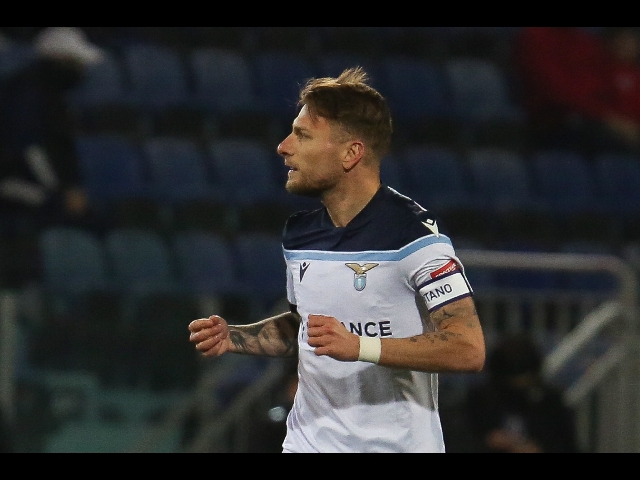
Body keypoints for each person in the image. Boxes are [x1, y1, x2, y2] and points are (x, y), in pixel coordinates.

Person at [188, 67, 486, 453]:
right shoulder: (299, 234)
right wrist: (235, 336)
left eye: (302, 135)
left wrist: (361, 346)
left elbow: (467, 347)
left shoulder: (413, 236)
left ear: (351, 153)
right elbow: (304, 327)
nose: (283, 147)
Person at [515, 26, 640, 156]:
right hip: (555, 121)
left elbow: (606, 86)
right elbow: (555, 90)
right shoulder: (535, 36)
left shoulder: (586, 42)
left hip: (598, 119)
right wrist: (607, 117)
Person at [464, 332, 579, 453]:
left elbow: (567, 444)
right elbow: (461, 439)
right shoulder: (480, 400)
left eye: (525, 379)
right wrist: (490, 441)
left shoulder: (550, 402)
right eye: (513, 381)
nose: (519, 386)